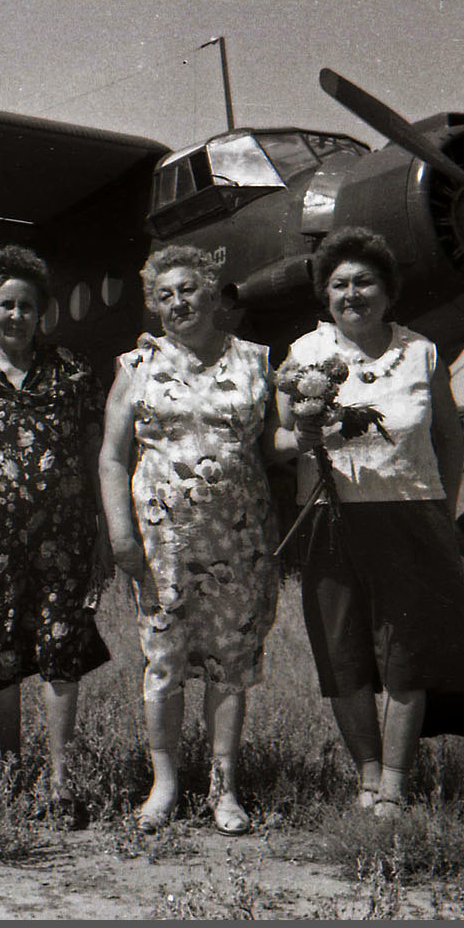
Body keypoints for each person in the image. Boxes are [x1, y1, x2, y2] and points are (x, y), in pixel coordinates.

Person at [276, 227, 464, 820]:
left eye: (364, 281)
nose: (352, 294)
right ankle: (366, 774)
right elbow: (278, 440)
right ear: (325, 295)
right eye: (339, 284)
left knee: (407, 653)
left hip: (411, 514)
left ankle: (394, 784)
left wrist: (442, 510)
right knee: (342, 650)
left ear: (388, 291)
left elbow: (448, 438)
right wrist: (305, 436)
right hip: (330, 517)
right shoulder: (303, 353)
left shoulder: (421, 352)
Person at [99, 244, 295, 836]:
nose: (178, 302)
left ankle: (224, 788)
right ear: (155, 306)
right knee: (164, 663)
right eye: (165, 295)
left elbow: (274, 444)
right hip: (163, 549)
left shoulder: (256, 361)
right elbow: (112, 457)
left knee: (229, 665)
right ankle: (164, 784)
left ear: (211, 292)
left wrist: (314, 430)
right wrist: (121, 534)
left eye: (188, 289)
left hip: (240, 545)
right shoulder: (136, 365)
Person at [0, 246, 111, 829]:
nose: (16, 316)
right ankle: (11, 768)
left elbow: (97, 455)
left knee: (60, 653)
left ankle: (60, 781)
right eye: (6, 306)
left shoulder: (73, 372)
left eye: (27, 306)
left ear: (41, 312)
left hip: (65, 544)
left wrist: (103, 533)